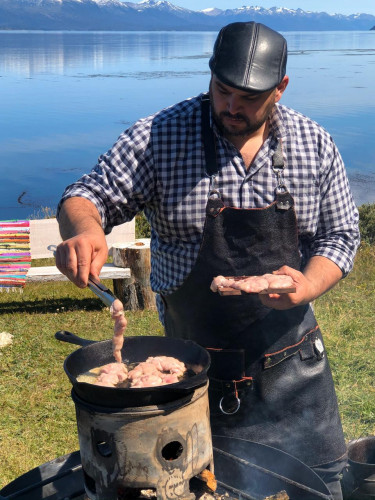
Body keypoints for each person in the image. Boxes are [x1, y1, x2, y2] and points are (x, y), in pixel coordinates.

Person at [56, 21, 360, 498]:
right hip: (189, 373)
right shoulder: (160, 136)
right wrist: (85, 229)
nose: (232, 107)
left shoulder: (314, 145)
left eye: (249, 97)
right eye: (222, 90)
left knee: (321, 486)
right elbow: (87, 194)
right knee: (197, 488)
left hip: (294, 370)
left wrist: (307, 284)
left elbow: (341, 235)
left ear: (280, 88)